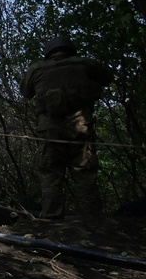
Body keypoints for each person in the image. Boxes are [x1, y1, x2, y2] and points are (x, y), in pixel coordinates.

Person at [20, 35, 114, 219]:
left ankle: (52, 219)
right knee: (85, 174)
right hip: (81, 127)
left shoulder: (37, 69)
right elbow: (107, 78)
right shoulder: (85, 64)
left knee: (50, 173)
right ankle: (92, 220)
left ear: (48, 52)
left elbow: (25, 92)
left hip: (49, 130)